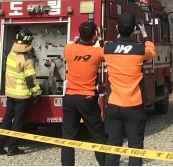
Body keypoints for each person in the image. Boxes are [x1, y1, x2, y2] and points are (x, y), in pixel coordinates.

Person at [102, 12, 155, 166]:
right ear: (134, 30)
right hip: (134, 105)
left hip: (114, 104)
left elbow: (98, 51)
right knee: (135, 146)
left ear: (117, 27)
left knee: (113, 145)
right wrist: (144, 34)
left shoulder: (107, 48)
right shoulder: (140, 49)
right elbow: (151, 51)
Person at [62, 21, 107, 166]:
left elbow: (75, 43)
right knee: (97, 135)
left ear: (79, 33)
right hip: (87, 98)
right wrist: (100, 39)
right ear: (94, 36)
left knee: (68, 138)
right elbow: (107, 51)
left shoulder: (68, 49)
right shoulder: (97, 52)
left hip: (69, 98)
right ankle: (105, 163)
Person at [0, 28, 42, 157]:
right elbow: (30, 80)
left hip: (10, 93)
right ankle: (12, 148)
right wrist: (37, 93)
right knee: (18, 122)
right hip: (22, 95)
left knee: (6, 119)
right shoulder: (27, 59)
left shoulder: (11, 53)